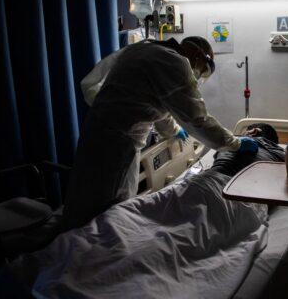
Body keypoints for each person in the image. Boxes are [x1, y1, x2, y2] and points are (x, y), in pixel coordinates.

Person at [62, 36, 258, 230]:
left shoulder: (144, 50)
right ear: (199, 55)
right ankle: (89, 251)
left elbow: (155, 104)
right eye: (202, 70)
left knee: (84, 198)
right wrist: (235, 143)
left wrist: (174, 130)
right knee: (105, 210)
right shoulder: (174, 63)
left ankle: (74, 241)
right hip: (117, 144)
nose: (197, 75)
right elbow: (198, 120)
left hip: (97, 132)